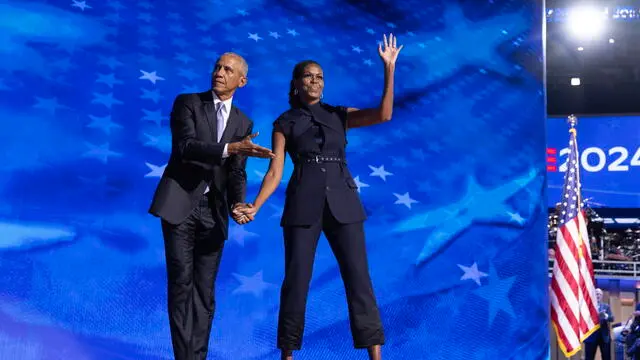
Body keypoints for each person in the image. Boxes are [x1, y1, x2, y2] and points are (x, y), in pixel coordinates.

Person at [234, 34, 403, 360]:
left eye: (320, 76)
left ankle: (376, 355)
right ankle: (287, 354)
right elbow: (275, 172)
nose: (315, 80)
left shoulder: (339, 115)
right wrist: (255, 206)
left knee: (359, 279)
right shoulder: (284, 122)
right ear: (296, 83)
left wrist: (389, 69)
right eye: (308, 75)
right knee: (296, 281)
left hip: (344, 202)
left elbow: (384, 115)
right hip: (302, 205)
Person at [148, 52, 275, 360]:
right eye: (218, 67)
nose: (219, 72)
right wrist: (232, 148)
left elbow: (236, 171)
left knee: (205, 293)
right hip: (180, 206)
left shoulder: (244, 122)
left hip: (214, 212)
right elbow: (186, 148)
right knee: (181, 285)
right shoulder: (188, 103)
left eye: (227, 69)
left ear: (241, 81)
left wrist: (236, 204)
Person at [584, 288, 614, 360]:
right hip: (591, 336)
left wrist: (606, 316)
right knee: (589, 357)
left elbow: (612, 318)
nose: (598, 296)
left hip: (603, 336)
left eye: (600, 294)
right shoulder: (588, 306)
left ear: (602, 296)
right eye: (596, 294)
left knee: (606, 357)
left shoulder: (606, 306)